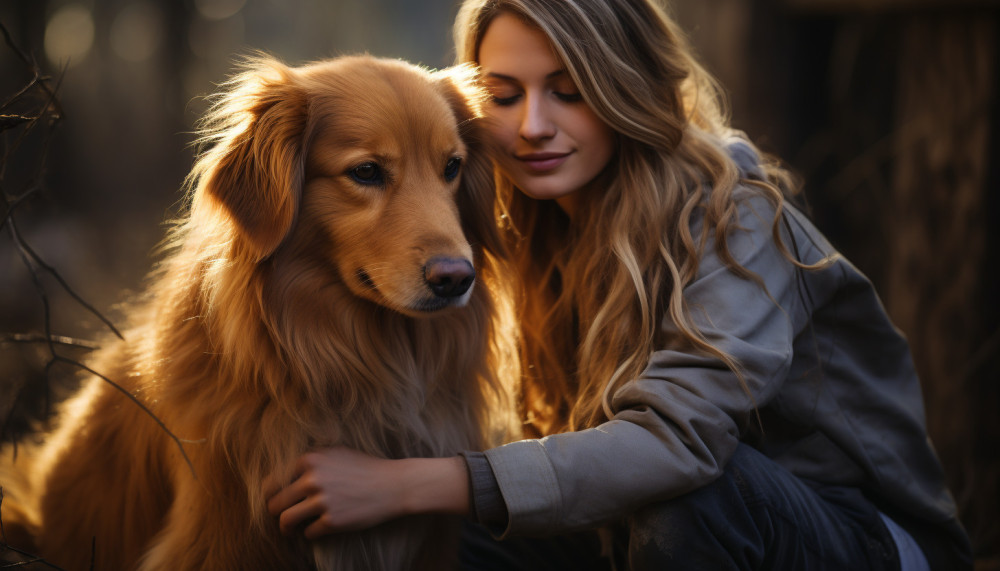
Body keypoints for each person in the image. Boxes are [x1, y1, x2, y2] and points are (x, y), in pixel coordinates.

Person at [265, 0, 973, 568]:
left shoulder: (733, 213)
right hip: (633, 528)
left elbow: (680, 442)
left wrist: (412, 482)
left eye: (569, 93)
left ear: (625, 88)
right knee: (448, 539)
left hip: (860, 538)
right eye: (505, 96)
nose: (533, 127)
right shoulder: (525, 222)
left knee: (692, 497)